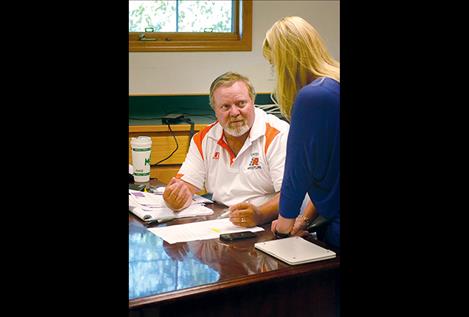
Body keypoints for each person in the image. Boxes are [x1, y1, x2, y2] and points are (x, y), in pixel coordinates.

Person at [163, 71, 290, 227]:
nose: (235, 112)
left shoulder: (278, 134)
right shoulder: (203, 139)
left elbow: (289, 195)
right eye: (225, 107)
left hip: (269, 223)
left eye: (241, 103)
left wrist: (260, 214)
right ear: (215, 110)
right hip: (222, 222)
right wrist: (175, 199)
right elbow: (186, 187)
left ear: (253, 102)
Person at [263, 16, 340, 249]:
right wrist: (305, 219)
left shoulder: (312, 96)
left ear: (286, 61)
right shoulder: (334, 84)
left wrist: (285, 223)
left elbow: (298, 171)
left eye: (275, 64)